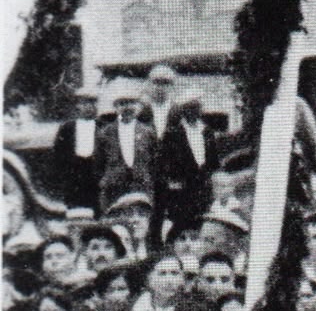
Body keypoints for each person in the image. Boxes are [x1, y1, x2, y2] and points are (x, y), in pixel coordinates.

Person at [155, 94, 216, 242]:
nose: (194, 111)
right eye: (189, 108)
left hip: (202, 187)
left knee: (200, 223)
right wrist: (172, 182)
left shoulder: (207, 132)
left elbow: (213, 161)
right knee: (179, 225)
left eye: (196, 107)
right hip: (181, 188)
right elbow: (163, 162)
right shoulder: (172, 133)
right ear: (183, 111)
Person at [97, 84, 157, 216]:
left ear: (138, 106)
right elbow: (98, 164)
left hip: (141, 187)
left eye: (131, 103)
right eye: (122, 103)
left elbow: (154, 162)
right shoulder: (105, 133)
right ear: (116, 107)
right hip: (114, 189)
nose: (127, 107)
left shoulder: (148, 132)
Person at [50, 84, 102, 214]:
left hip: (94, 175)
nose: (89, 107)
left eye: (92, 103)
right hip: (74, 176)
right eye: (85, 103)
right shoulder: (67, 128)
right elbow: (58, 154)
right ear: (78, 105)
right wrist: (66, 175)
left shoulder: (102, 127)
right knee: (75, 211)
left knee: (96, 211)